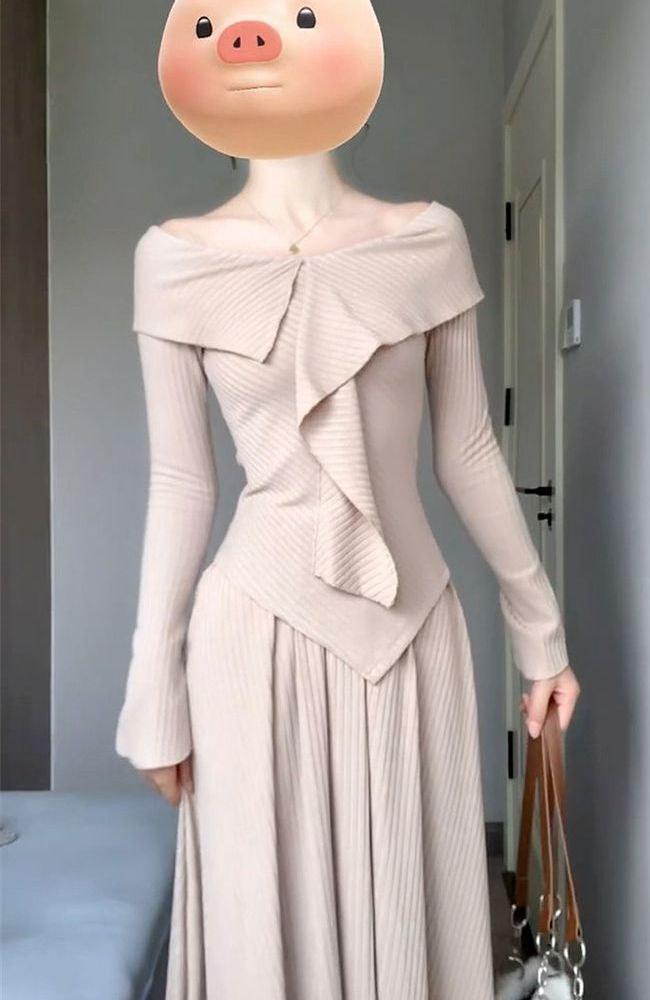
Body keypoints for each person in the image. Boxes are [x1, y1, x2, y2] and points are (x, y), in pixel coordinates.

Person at [115, 3, 580, 997]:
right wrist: (153, 684)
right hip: (252, 638)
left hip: (411, 632)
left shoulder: (428, 239)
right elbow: (181, 482)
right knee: (264, 928)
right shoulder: (173, 257)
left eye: (300, 13)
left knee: (416, 912)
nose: (255, 39)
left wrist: (540, 631)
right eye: (225, 20)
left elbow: (466, 448)